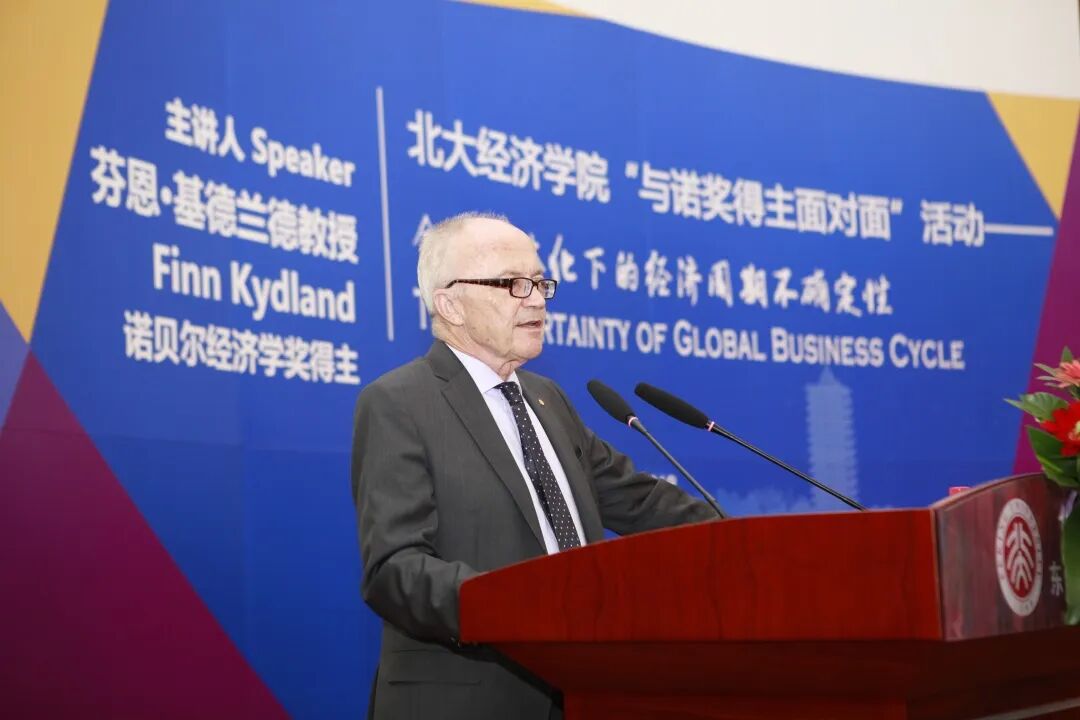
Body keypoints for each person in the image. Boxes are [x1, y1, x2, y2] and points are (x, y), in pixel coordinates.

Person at [351, 212, 720, 719]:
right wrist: (523, 609)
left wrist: (745, 538)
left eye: (541, 282)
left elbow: (639, 500)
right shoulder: (399, 402)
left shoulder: (547, 400)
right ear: (450, 304)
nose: (537, 299)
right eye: (513, 284)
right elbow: (394, 569)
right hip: (466, 700)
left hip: (581, 691)